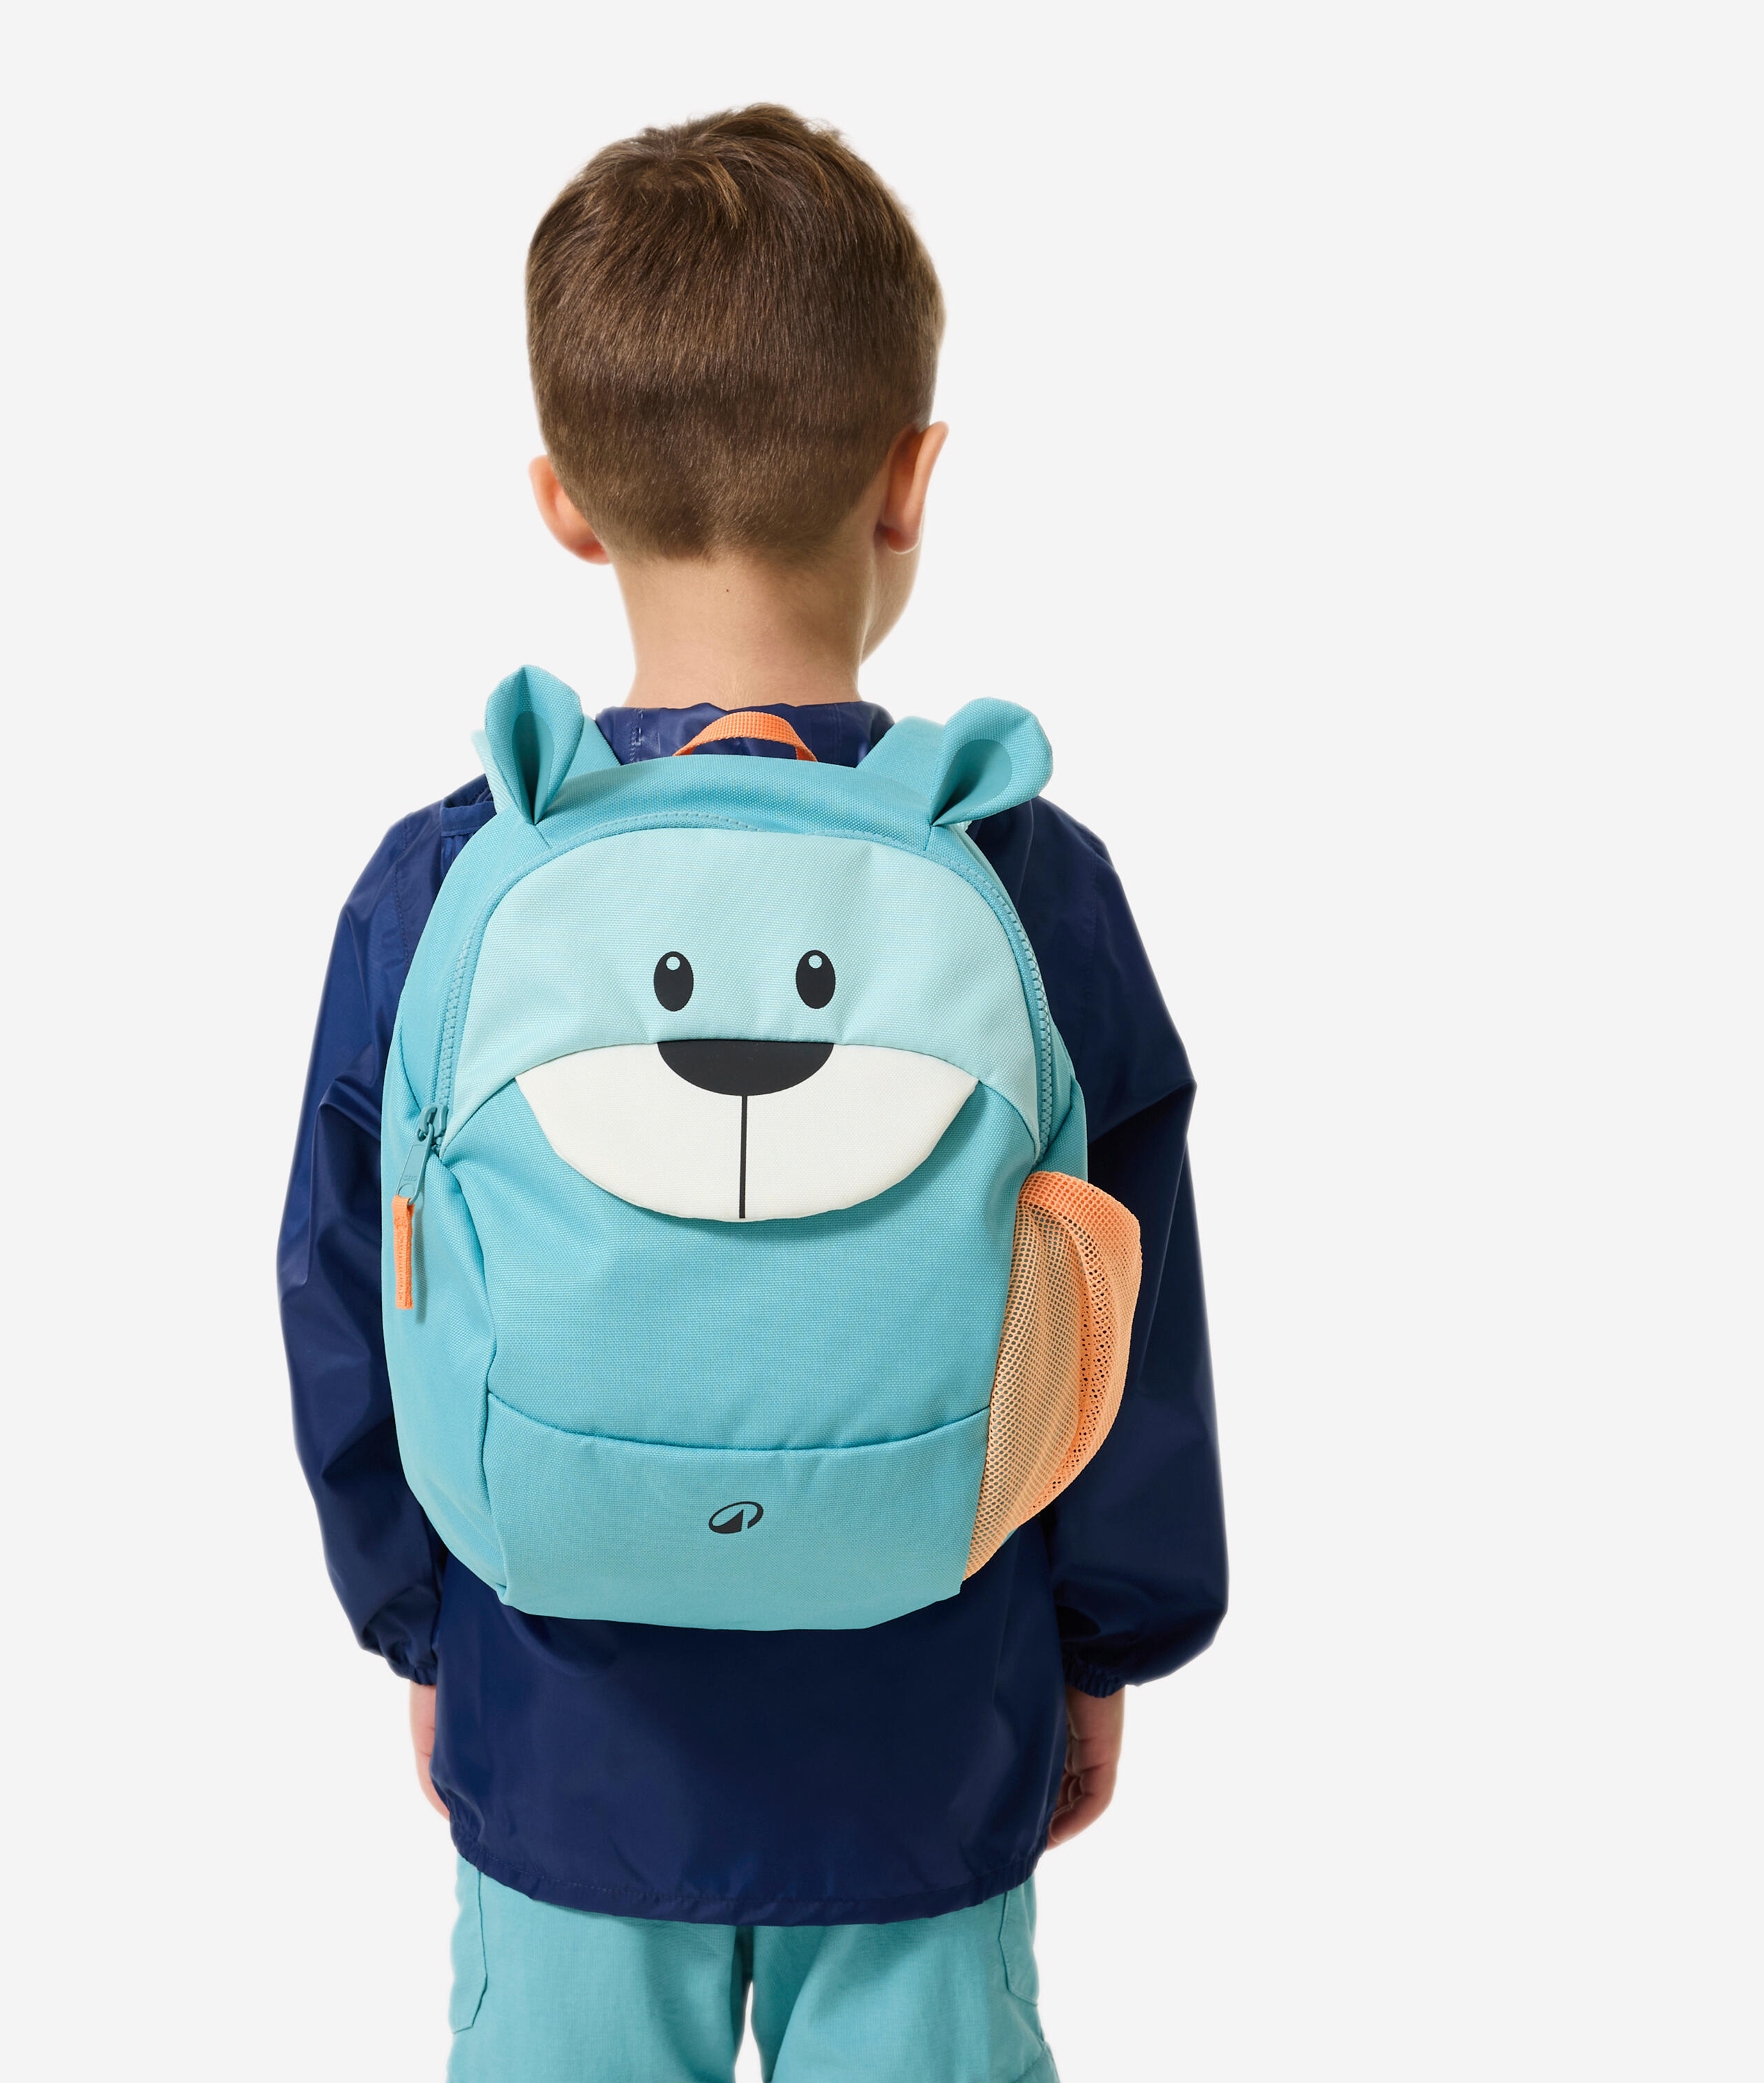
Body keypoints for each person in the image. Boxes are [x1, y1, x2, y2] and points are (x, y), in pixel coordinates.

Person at [279, 104, 1225, 2083]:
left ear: (564, 501)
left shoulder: (449, 875)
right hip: (929, 1721)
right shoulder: (1026, 874)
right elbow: (1124, 1298)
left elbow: (345, 1285)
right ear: (911, 479)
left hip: (563, 1721)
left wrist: (424, 1622)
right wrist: (1104, 1640)